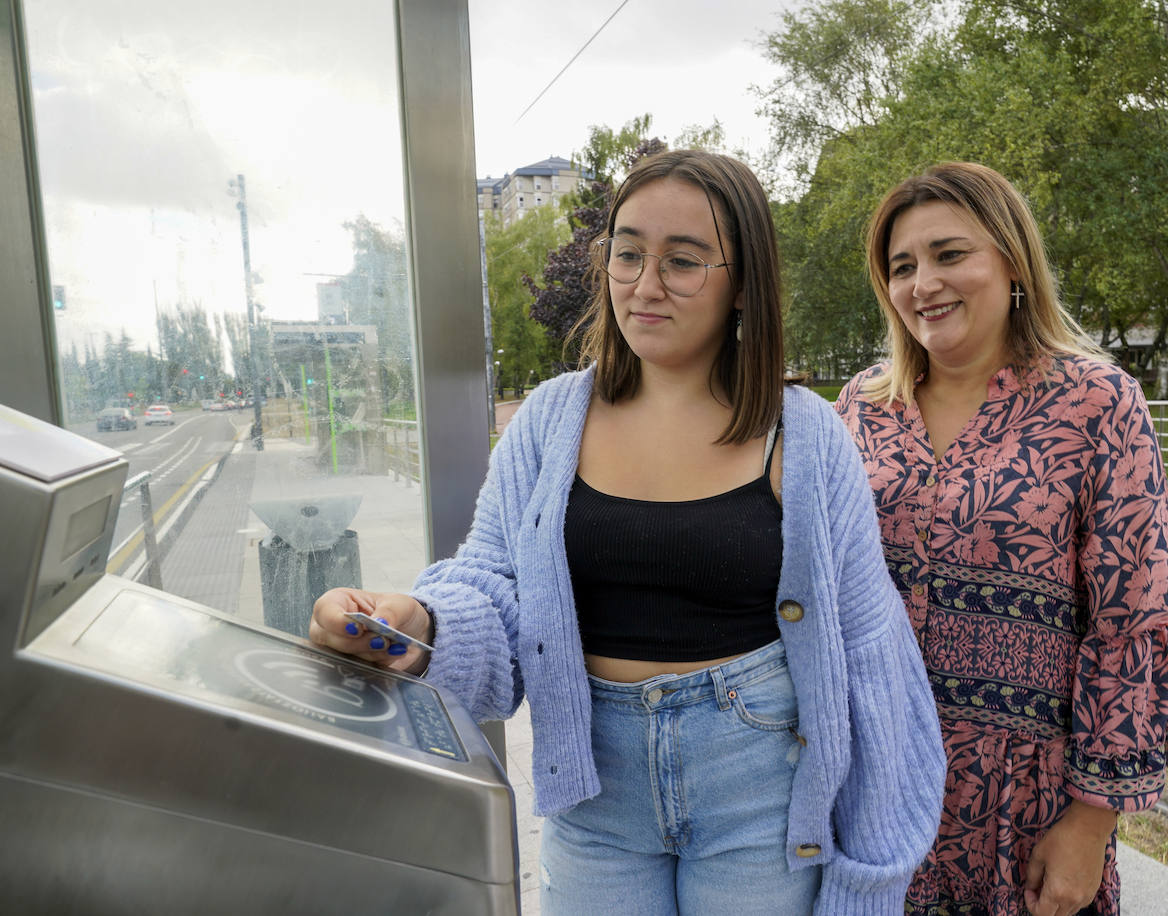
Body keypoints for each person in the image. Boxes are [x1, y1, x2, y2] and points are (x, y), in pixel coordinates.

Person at [311, 149, 946, 915]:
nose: (645, 285)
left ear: (743, 283)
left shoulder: (806, 438)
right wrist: (421, 625)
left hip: (760, 796)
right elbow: (494, 584)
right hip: (594, 799)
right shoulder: (547, 422)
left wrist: (868, 881)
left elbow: (872, 662)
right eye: (628, 253)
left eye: (682, 261)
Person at [834, 161, 1168, 916]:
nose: (923, 284)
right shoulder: (860, 405)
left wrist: (1090, 819)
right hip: (875, 788)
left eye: (950, 254)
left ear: (1011, 260)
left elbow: (1132, 621)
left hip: (1025, 799)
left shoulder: (1098, 402)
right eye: (902, 266)